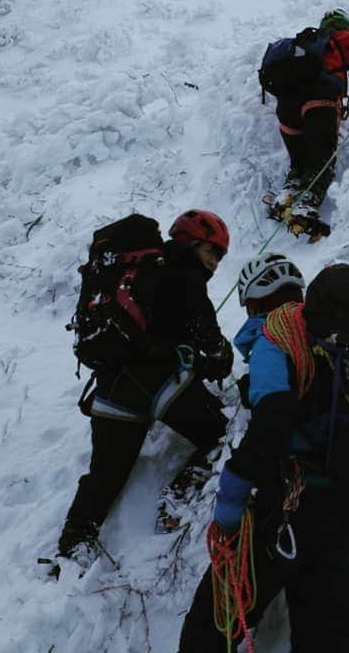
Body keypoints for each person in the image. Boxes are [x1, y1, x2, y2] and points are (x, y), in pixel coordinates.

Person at [177, 253, 349, 653]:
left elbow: (274, 419)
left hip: (286, 513)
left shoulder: (275, 335)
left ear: (252, 303)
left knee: (207, 631)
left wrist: (231, 499)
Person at [55, 209, 234, 565]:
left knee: (105, 475)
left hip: (111, 387)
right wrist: (216, 358)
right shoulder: (185, 271)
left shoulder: (134, 271)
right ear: (191, 243)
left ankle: (75, 544)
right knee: (221, 435)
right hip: (159, 383)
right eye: (211, 252)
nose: (214, 264)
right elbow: (213, 345)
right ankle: (176, 500)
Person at [272, 8, 349, 220]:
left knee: (299, 161)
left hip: (287, 106)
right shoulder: (343, 38)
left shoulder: (303, 44)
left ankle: (289, 192)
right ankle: (307, 202)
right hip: (320, 101)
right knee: (321, 158)